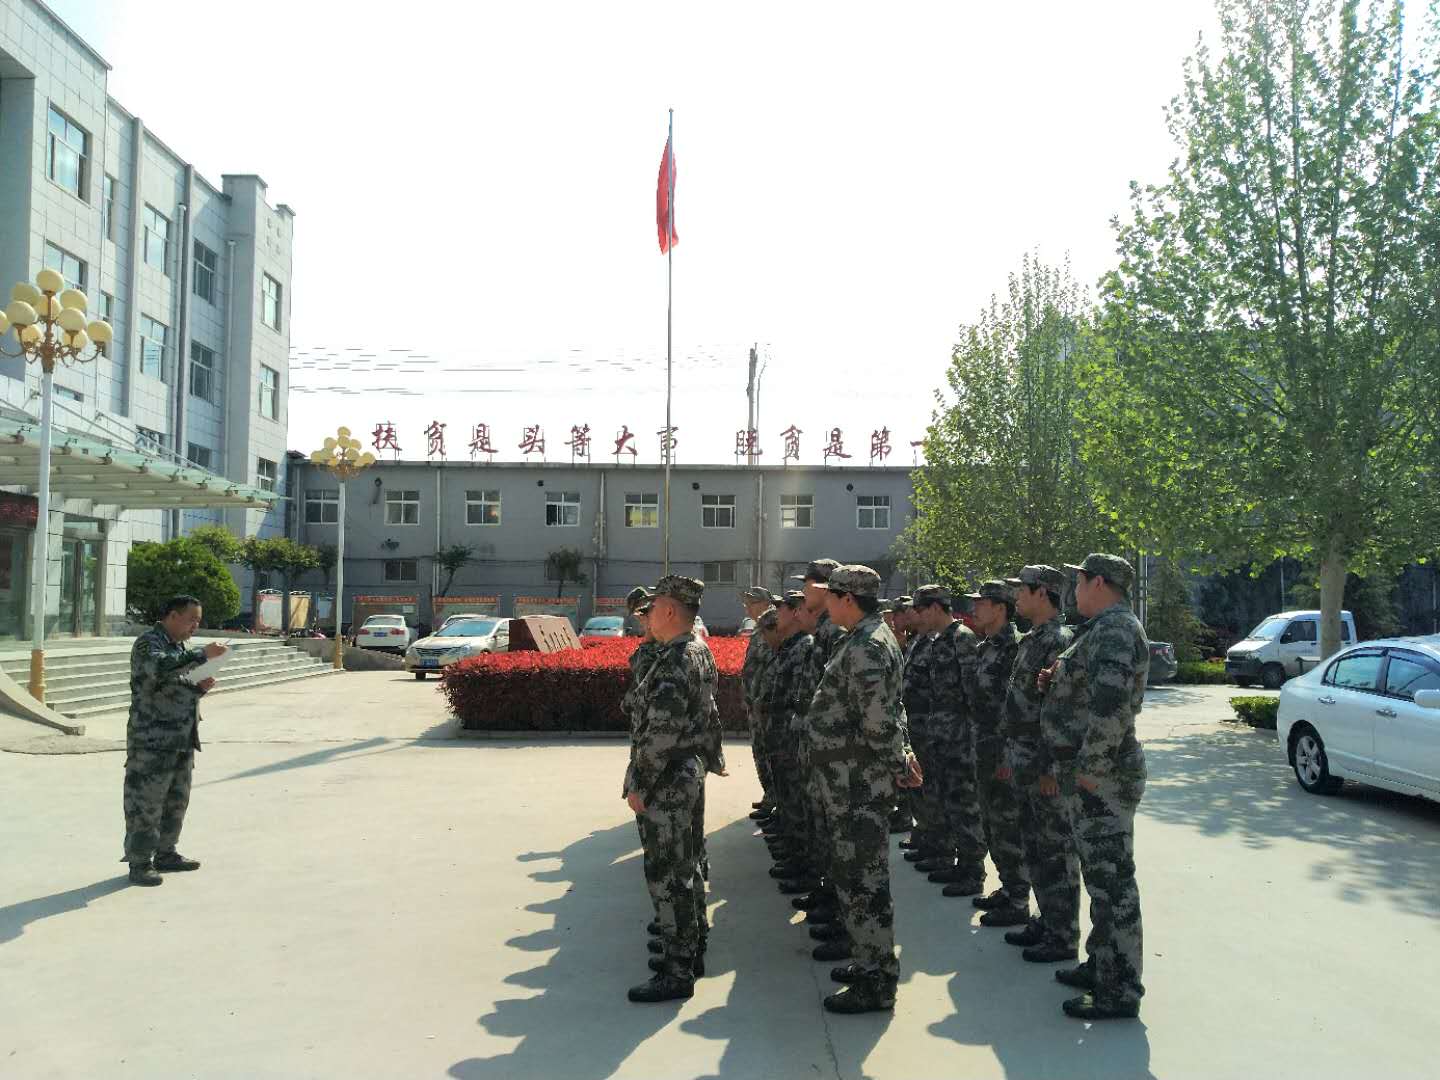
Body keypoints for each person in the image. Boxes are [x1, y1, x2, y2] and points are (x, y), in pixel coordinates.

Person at [806, 565, 921, 1014]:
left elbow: (877, 719)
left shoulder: (868, 645)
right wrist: (903, 751)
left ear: (848, 599)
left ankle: (876, 981)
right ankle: (867, 961)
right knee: (853, 877)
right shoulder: (863, 637)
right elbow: (893, 709)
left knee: (864, 882)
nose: (826, 604)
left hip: (857, 783)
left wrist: (898, 761)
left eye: (831, 596)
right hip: (847, 779)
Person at [1043, 554, 1150, 1020]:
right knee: (1100, 878)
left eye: (1079, 581)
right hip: (1093, 773)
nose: (1075, 590)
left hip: (1102, 777)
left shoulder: (1115, 629)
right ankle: (1102, 964)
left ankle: (1120, 988)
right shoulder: (1100, 629)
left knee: (1112, 884)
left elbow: (1112, 705)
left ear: (1099, 583)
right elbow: (1089, 689)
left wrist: (1090, 768)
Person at [623, 575, 718, 1004]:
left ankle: (677, 971)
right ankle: (691, 950)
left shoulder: (676, 658)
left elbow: (660, 733)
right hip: (687, 770)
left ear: (668, 610)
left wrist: (639, 783)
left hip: (667, 778)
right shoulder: (697, 651)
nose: (647, 616)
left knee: (668, 874)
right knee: (687, 865)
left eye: (653, 606)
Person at [997, 566, 1081, 965]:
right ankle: (1046, 921)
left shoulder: (1059, 641)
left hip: (1043, 764)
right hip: (1024, 758)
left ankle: (1063, 934)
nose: (1016, 597)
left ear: (1043, 593)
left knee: (1055, 850)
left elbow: (1061, 711)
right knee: (1034, 846)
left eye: (1022, 590)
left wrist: (1050, 767)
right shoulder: (1032, 639)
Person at [123, 595, 227, 886]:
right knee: (145, 803)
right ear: (172, 616)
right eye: (191, 619)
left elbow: (175, 686)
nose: (195, 626)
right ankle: (139, 862)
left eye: (198, 621)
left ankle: (166, 852)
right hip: (152, 741)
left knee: (176, 801)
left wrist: (200, 686)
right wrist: (201, 655)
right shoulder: (148, 643)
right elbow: (159, 669)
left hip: (181, 738)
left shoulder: (180, 648)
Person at [964, 580, 1028, 925]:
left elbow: (1015, 708)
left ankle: (1018, 900)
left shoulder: (1013, 648)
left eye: (981, 603)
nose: (974, 608)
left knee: (1008, 826)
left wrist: (1006, 755)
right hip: (982, 748)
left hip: (1002, 752)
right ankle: (1008, 886)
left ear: (1001, 608)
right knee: (991, 824)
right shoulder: (984, 646)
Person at [917, 586, 987, 897]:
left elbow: (973, 691)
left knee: (964, 803)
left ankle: (973, 871)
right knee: (946, 800)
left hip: (960, 736)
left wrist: (971, 736)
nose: (919, 617)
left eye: (922, 610)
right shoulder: (939, 641)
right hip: (940, 734)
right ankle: (955, 861)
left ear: (935, 608)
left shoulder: (962, 638)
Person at [739, 586, 779, 818]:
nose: (748, 608)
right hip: (756, 701)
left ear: (767, 603)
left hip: (767, 702)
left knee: (770, 752)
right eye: (746, 604)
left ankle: (775, 799)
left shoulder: (774, 626)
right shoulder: (758, 629)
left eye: (752, 603)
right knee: (760, 752)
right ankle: (769, 794)